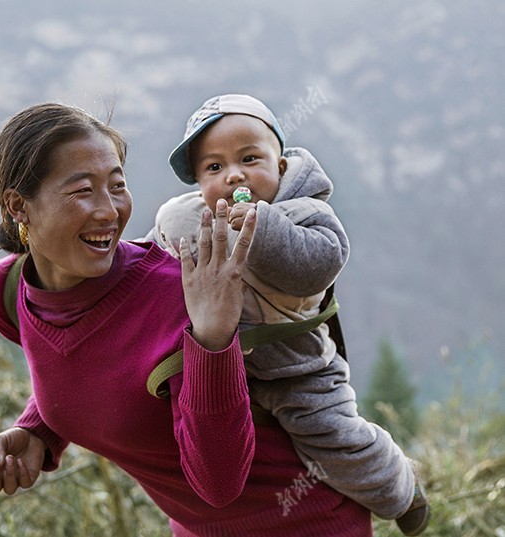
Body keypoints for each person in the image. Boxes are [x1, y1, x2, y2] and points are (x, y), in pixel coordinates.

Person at [0, 102, 375, 535]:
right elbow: (85, 361)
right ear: (18, 206)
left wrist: (213, 341)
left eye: (117, 185)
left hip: (306, 522)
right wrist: (38, 430)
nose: (109, 211)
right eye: (82, 190)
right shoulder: (8, 294)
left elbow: (218, 484)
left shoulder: (177, 295)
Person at [143, 93, 429, 535]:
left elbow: (316, 265)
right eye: (214, 167)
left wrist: (261, 227)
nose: (234, 174)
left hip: (300, 368)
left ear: (280, 166)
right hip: (225, 366)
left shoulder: (305, 212)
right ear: (198, 183)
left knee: (332, 436)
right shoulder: (188, 218)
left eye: (249, 158)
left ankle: (399, 487)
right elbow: (149, 261)